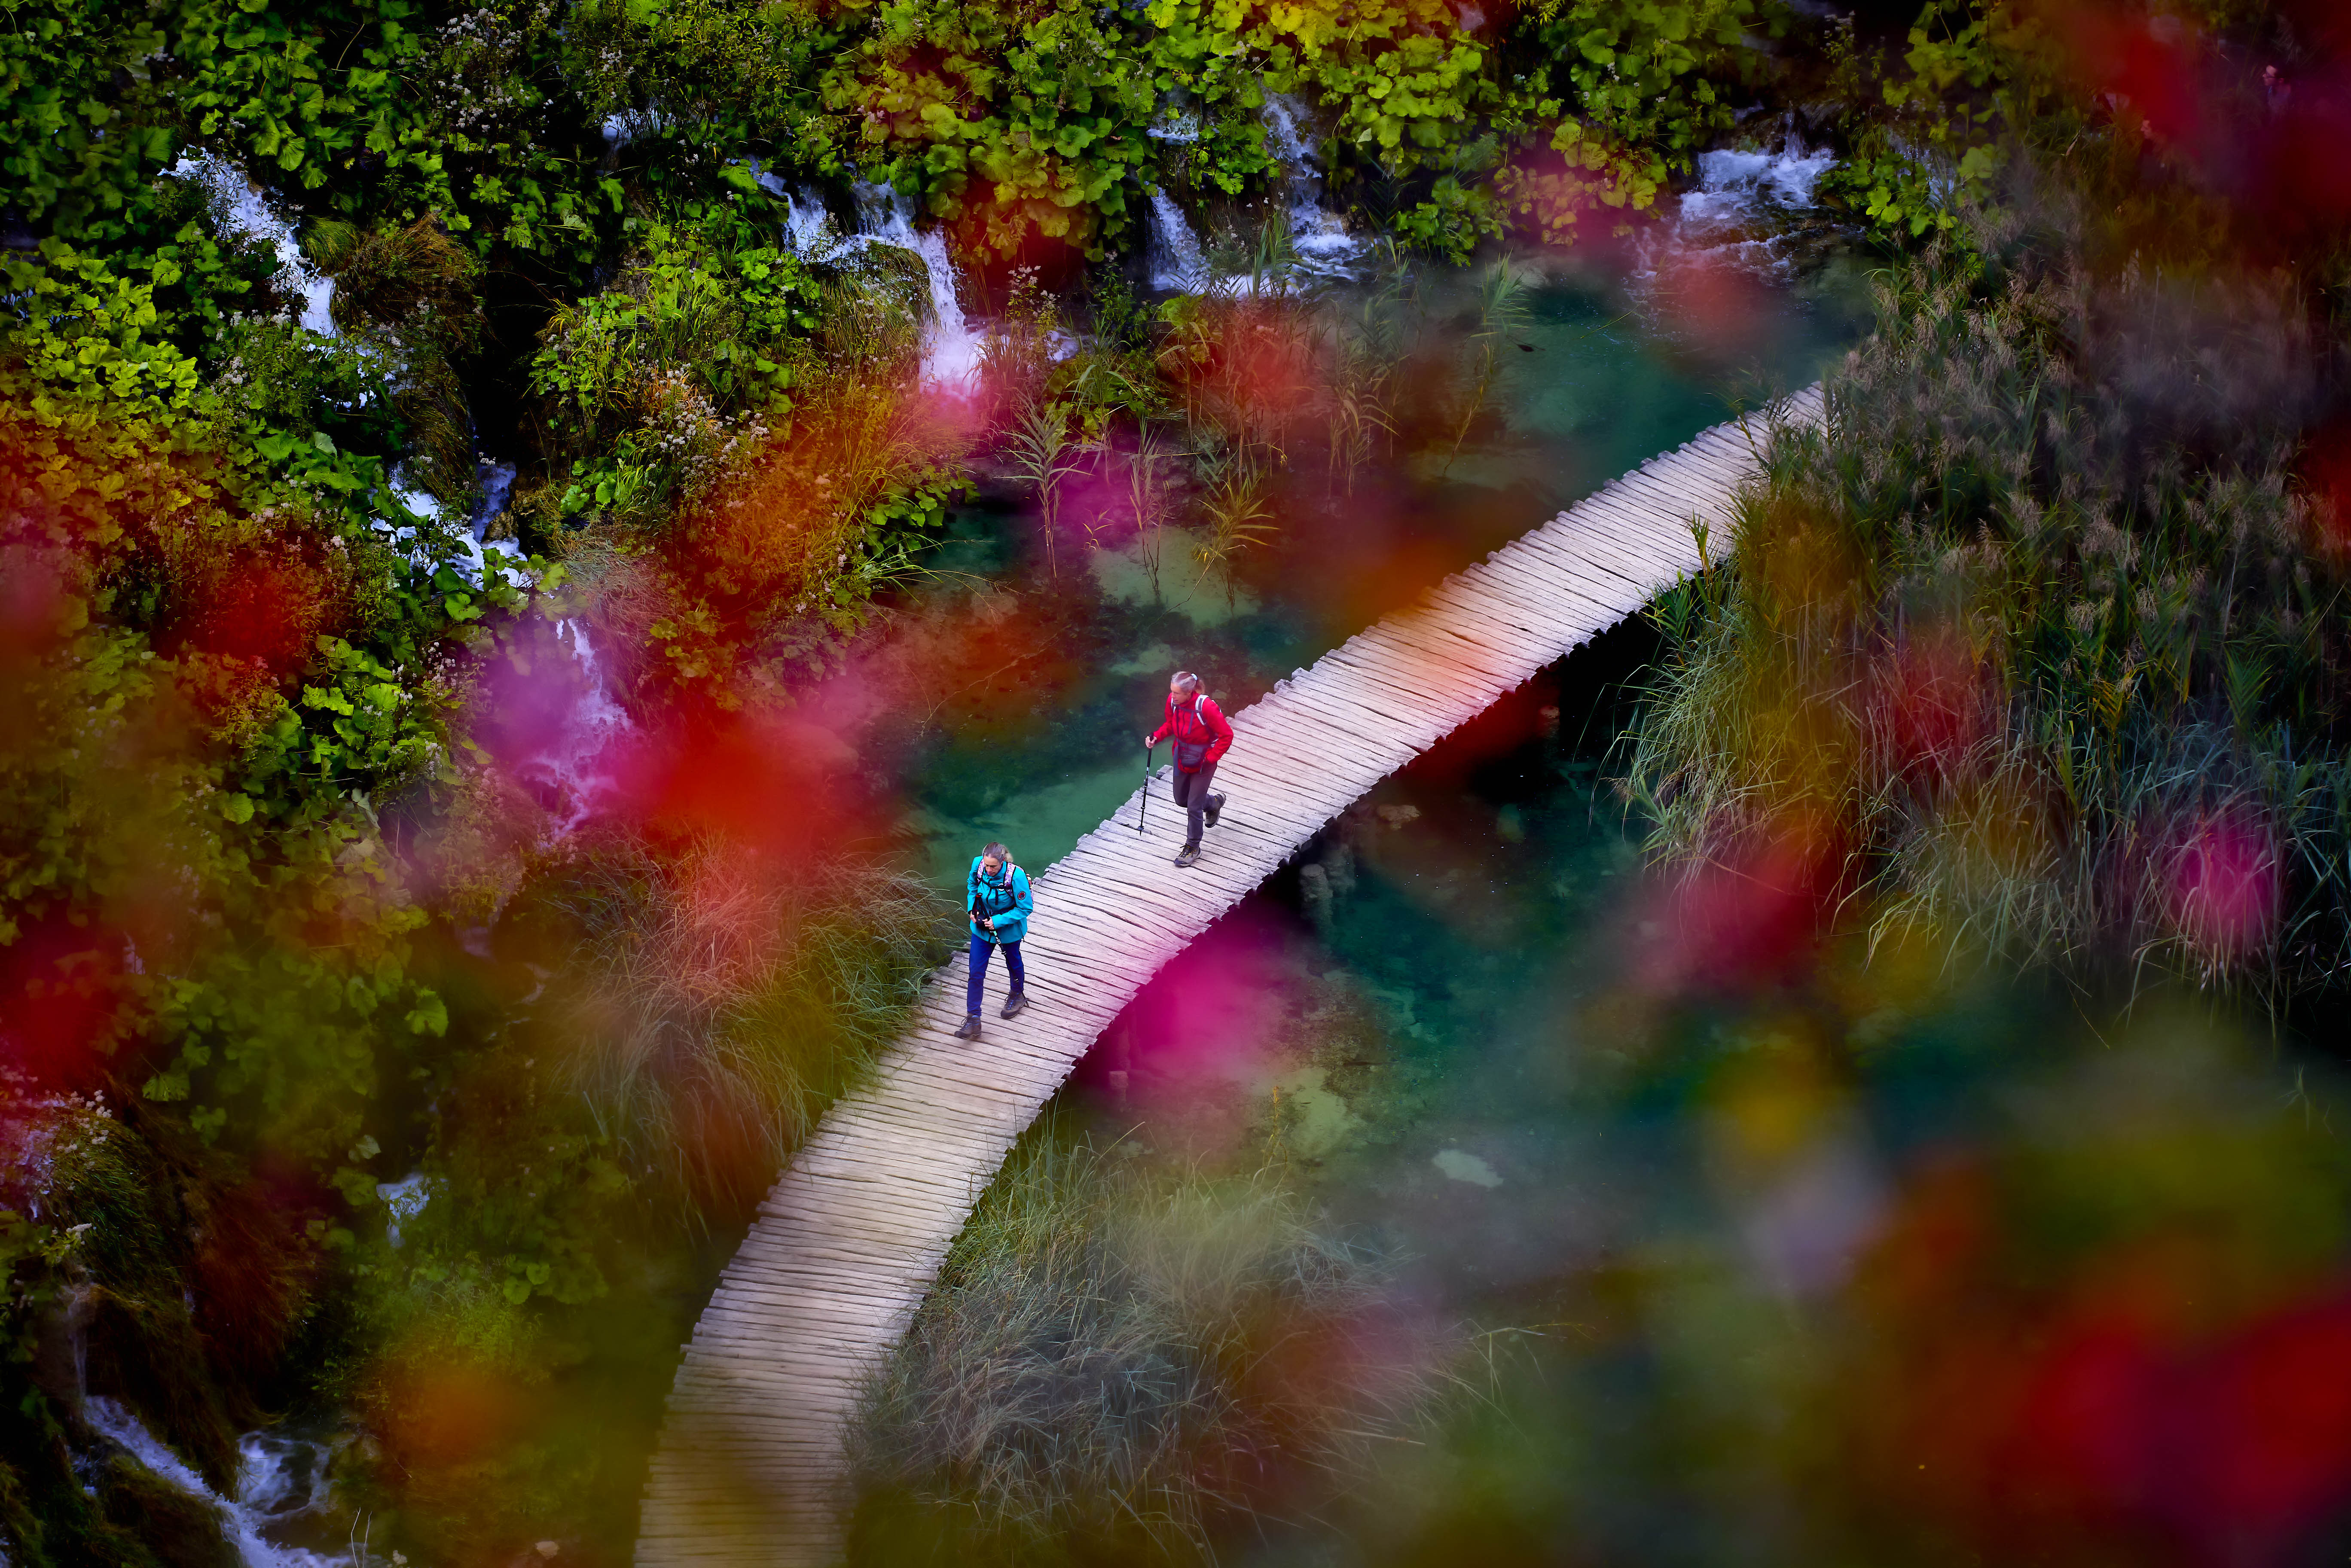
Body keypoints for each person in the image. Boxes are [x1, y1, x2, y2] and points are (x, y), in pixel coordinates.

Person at [1143, 670, 1233, 869]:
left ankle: (1193, 847)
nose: (1172, 696)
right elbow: (1171, 725)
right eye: (1172, 692)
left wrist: (1211, 758)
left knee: (1193, 807)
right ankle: (1214, 803)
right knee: (1181, 800)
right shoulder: (1173, 702)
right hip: (1182, 756)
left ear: (1189, 692)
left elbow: (1226, 735)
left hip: (1203, 763)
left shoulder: (1206, 707)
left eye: (1176, 693)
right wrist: (1157, 737)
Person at [956, 841, 1031, 1039]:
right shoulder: (978, 864)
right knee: (976, 972)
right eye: (986, 865)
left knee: (1013, 961)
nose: (989, 870)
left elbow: (1025, 908)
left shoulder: (1016, 876)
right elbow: (972, 885)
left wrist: (997, 921)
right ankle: (973, 1019)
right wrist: (972, 908)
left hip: (1008, 929)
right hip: (982, 928)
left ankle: (1017, 995)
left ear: (1003, 862)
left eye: (993, 867)